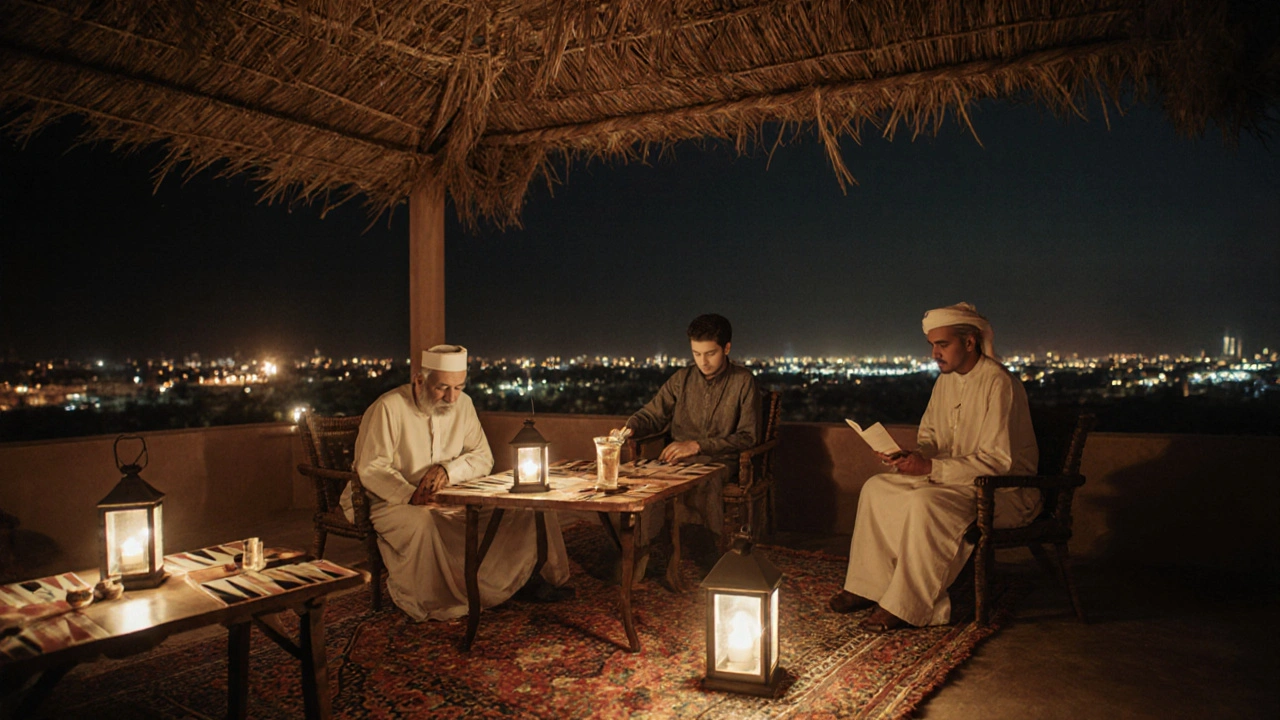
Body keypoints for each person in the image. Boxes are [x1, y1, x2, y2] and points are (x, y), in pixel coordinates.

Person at [829, 303, 1039, 631]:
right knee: (876, 487)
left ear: (970, 342)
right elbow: (931, 440)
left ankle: (907, 606)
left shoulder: (999, 384)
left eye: (942, 345)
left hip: (1001, 492)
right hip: (954, 482)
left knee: (923, 502)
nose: (934, 354)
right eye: (932, 346)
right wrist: (908, 456)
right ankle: (868, 587)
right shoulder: (946, 382)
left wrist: (930, 467)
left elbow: (999, 462)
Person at [343, 344, 571, 621]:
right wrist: (410, 494)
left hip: (449, 494)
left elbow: (481, 456)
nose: (451, 398)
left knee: (522, 507)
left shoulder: (464, 405)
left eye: (459, 388)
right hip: (389, 501)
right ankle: (439, 599)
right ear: (419, 380)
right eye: (442, 388)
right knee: (425, 523)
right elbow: (371, 467)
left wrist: (448, 470)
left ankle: (523, 580)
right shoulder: (387, 408)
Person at [624, 314, 760, 556]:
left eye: (710, 353)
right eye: (696, 354)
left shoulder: (743, 381)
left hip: (720, 460)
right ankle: (644, 549)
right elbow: (653, 414)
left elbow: (748, 437)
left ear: (726, 348)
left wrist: (698, 446)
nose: (703, 362)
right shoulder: (681, 379)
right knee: (648, 480)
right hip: (678, 460)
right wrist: (631, 427)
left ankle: (709, 554)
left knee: (706, 481)